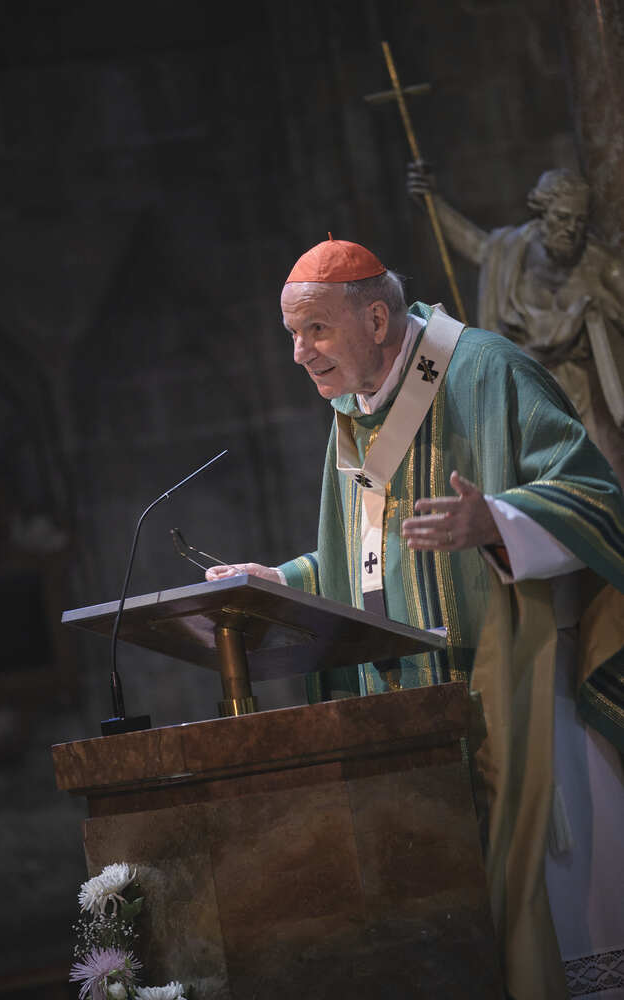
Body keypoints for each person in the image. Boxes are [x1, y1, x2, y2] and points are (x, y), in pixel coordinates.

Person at [206, 236, 624, 1000]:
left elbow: (598, 503)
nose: (299, 354)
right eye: (291, 335)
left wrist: (496, 523)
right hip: (411, 729)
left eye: (315, 330)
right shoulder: (353, 413)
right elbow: (370, 564)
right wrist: (283, 580)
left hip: (521, 699)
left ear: (375, 319)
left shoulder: (486, 372)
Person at [407, 164, 624, 484]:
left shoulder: (603, 266)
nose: (571, 229)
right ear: (542, 213)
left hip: (586, 392)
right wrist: (432, 202)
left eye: (580, 221)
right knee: (539, 481)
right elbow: (474, 245)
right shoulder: (510, 251)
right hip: (526, 389)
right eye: (562, 218)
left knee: (608, 471)